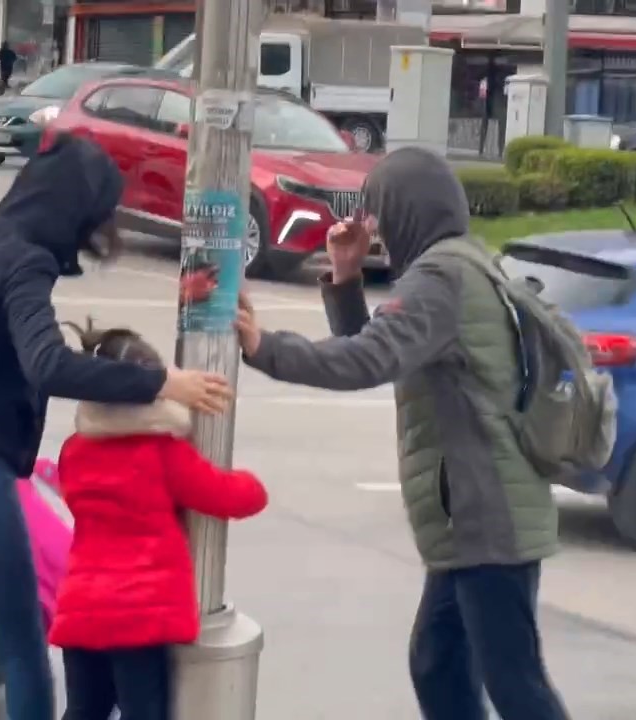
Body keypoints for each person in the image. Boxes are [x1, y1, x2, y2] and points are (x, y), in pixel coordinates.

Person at [0, 133, 232, 720]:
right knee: (22, 645)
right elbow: (48, 364)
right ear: (73, 212)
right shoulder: (23, 260)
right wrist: (161, 384)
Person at [234, 147, 571, 720]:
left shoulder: (440, 278)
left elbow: (363, 361)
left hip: (485, 516)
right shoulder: (460, 265)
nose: (374, 228)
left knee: (515, 684)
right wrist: (344, 279)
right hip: (472, 515)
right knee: (438, 664)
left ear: (406, 209)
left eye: (377, 212)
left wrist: (266, 348)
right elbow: (386, 355)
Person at [49, 319, 268, 720]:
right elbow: (232, 497)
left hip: (81, 609)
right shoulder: (161, 452)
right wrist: (251, 481)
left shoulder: (75, 451)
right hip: (138, 617)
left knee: (84, 709)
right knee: (144, 711)